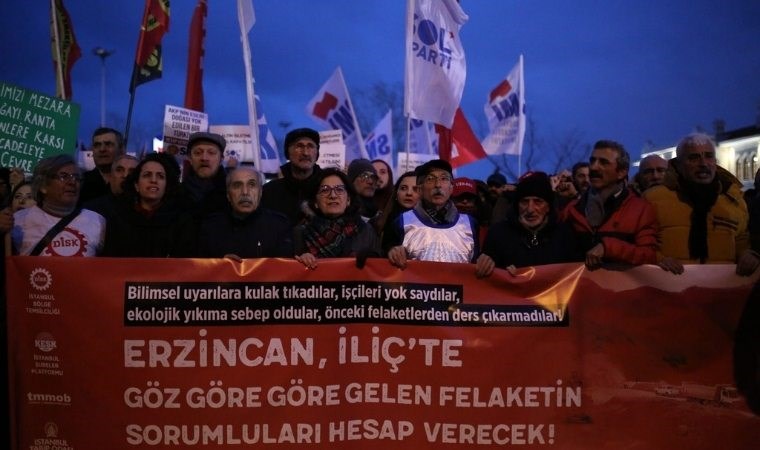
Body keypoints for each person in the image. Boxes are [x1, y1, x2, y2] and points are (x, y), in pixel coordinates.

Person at [643, 133, 758, 275]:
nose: (703, 163)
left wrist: (747, 256)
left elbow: (741, 240)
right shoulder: (653, 199)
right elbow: (640, 243)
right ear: (679, 164)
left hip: (721, 291)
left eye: (709, 156)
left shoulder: (733, 199)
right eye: (694, 158)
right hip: (670, 290)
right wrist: (657, 259)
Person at [561, 140, 657, 269]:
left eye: (603, 162)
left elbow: (648, 256)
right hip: (580, 288)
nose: (594, 167)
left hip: (621, 288)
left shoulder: (640, 210)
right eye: (592, 161)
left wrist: (609, 248)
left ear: (621, 172)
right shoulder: (572, 209)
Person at [476, 172, 579, 276]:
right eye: (524, 202)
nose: (530, 209)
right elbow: (487, 279)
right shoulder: (498, 234)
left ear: (548, 207)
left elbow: (575, 276)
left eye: (538, 202)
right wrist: (496, 269)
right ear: (517, 206)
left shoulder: (565, 235)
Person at [384, 159, 479, 267]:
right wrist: (391, 251)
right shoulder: (401, 222)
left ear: (451, 188)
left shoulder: (470, 224)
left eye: (444, 178)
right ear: (420, 189)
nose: (438, 185)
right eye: (430, 179)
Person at [101, 153, 194, 257]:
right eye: (147, 175)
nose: (153, 180)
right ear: (136, 185)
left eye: (160, 176)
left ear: (166, 185)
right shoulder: (117, 218)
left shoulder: (181, 221)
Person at [10, 155, 105, 256]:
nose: (72, 182)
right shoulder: (17, 221)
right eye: (63, 176)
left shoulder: (97, 221)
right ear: (43, 186)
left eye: (76, 177)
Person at [197, 166, 293, 258]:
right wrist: (220, 265)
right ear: (228, 195)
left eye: (252, 185)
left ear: (260, 192)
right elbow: (201, 269)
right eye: (237, 186)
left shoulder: (279, 225)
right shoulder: (211, 227)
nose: (245, 192)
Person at [294, 168, 380, 269]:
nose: (333, 195)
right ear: (315, 202)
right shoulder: (301, 232)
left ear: (348, 200)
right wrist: (299, 261)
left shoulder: (366, 231)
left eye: (339, 189)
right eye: (325, 190)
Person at [261, 128, 323, 226]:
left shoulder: (328, 189)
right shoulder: (269, 192)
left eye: (310, 146)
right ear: (287, 153)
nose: (305, 153)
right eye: (299, 146)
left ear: (317, 153)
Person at [182, 131, 229, 220]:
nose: (204, 158)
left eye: (211, 153)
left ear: (221, 159)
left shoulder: (232, 193)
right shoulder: (176, 195)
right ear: (190, 158)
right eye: (198, 153)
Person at [79, 127, 125, 205]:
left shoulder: (131, 182)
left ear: (121, 150)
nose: (102, 149)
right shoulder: (80, 183)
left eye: (108, 144)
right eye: (97, 145)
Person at [374, 171, 420, 238]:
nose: (409, 193)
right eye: (403, 188)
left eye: (415, 189)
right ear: (396, 193)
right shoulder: (377, 222)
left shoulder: (430, 226)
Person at [347, 158, 380, 223]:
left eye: (373, 177)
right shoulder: (344, 214)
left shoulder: (382, 216)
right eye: (364, 176)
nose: (370, 181)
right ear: (352, 181)